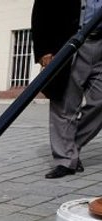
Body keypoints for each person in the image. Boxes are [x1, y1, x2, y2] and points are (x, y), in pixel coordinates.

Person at [32, 0, 102, 179]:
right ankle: (65, 160)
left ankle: (69, 147)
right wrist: (43, 51)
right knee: (65, 106)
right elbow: (41, 12)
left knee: (100, 103)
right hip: (70, 44)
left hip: (100, 45)